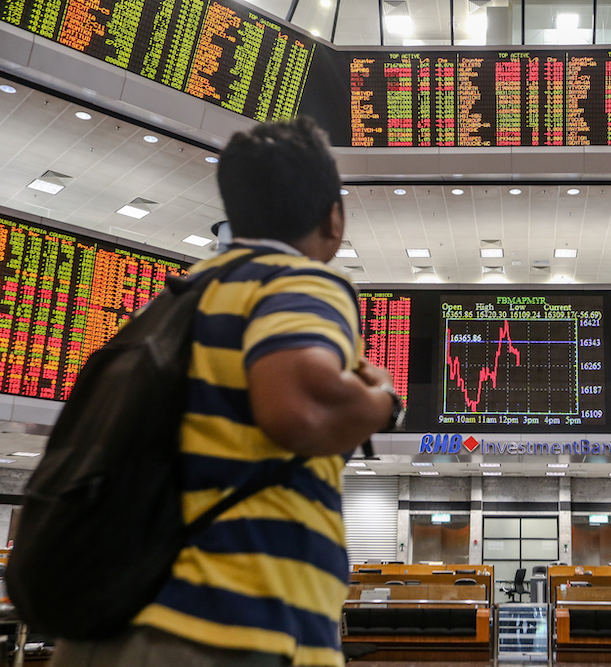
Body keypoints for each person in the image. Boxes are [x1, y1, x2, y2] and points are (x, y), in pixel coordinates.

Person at [50, 118, 399, 667]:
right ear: (334, 217)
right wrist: (383, 399)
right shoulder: (297, 279)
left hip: (117, 614)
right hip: (226, 626)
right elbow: (297, 411)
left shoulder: (178, 297)